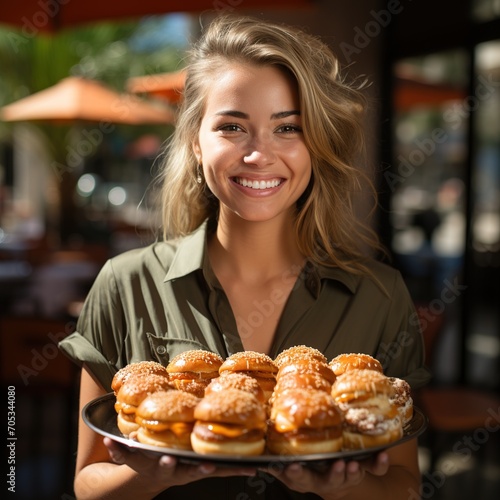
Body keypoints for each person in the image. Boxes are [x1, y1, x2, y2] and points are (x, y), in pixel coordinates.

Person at [59, 14, 431, 500]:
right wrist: (149, 475)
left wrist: (345, 486)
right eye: (232, 126)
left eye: (287, 128)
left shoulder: (380, 297)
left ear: (316, 145)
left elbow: (405, 488)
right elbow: (87, 484)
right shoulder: (125, 284)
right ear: (196, 142)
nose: (258, 154)